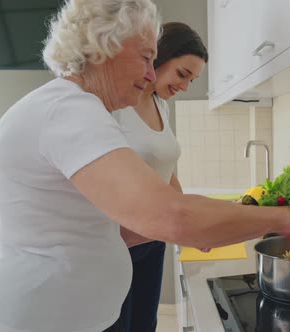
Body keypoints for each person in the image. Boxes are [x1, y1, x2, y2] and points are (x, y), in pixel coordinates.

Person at [0, 0, 290, 331]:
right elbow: (172, 216)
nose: (150, 74)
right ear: (105, 45)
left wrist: (213, 224)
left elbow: (101, 227)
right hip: (43, 318)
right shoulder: (68, 110)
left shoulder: (78, 108)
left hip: (82, 314)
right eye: (146, 57)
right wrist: (284, 217)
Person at [111, 22, 207, 332]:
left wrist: (190, 222)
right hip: (119, 242)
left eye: (191, 80)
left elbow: (168, 174)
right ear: (158, 57)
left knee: (144, 324)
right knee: (118, 325)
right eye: (182, 74)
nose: (184, 86)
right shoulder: (117, 106)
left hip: (153, 241)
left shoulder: (161, 107)